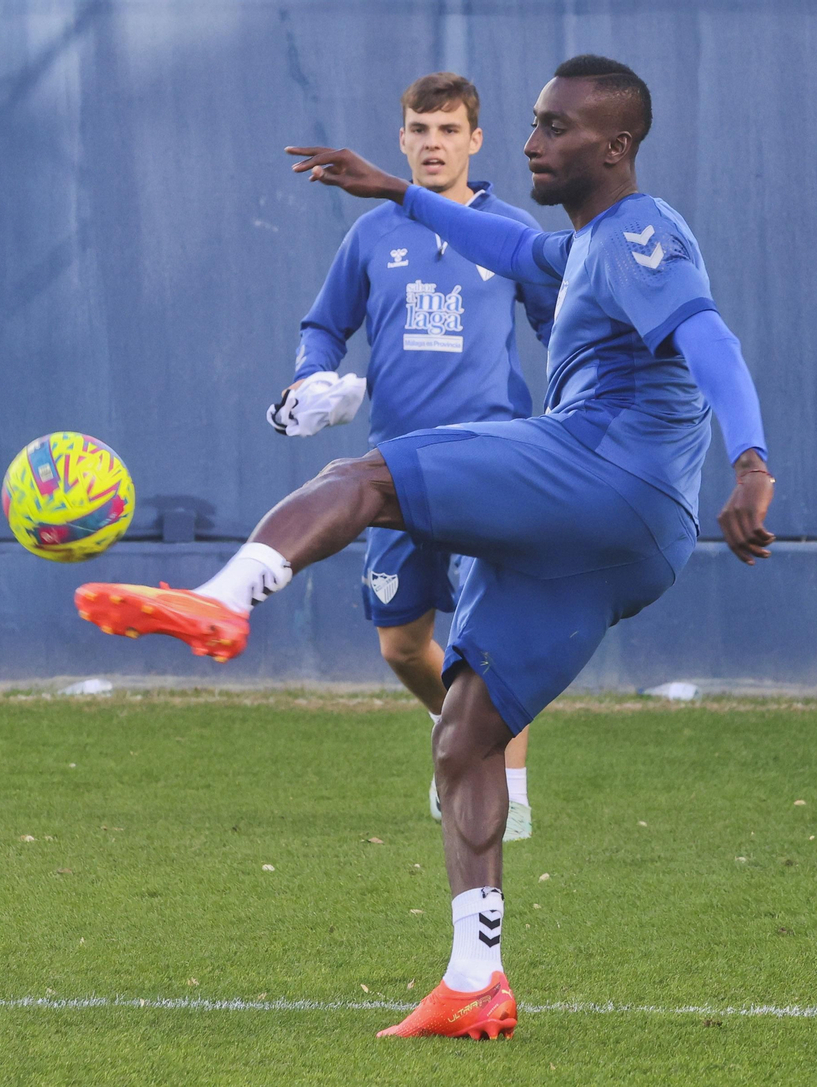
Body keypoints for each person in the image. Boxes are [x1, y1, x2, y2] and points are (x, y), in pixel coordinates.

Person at [75, 54, 775, 1038]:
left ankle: (226, 598)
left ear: (615, 147)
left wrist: (752, 460)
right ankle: (475, 977)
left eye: (556, 128)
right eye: (532, 124)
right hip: (631, 543)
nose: (533, 143)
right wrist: (395, 189)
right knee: (464, 732)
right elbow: (493, 236)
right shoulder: (581, 252)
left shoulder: (644, 229)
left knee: (363, 478)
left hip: (604, 473)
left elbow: (711, 341)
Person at [281, 72, 555, 837]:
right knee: (402, 643)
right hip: (395, 473)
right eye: (419, 130)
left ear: (474, 140)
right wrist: (311, 379)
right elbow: (324, 325)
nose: (432, 143)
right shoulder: (371, 233)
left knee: (488, 634)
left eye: (447, 130)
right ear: (401, 139)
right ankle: (468, 731)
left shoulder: (508, 234)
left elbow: (560, 331)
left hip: (494, 463)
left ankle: (511, 782)